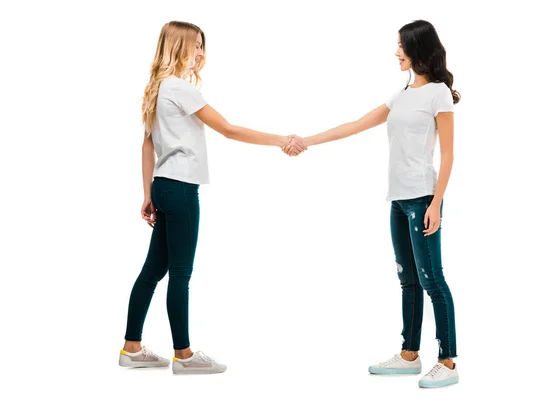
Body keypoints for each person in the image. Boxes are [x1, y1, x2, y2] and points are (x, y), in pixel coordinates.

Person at [118, 20, 306, 375]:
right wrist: (281, 139)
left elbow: (146, 145)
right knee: (180, 274)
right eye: (197, 45)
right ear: (178, 47)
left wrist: (148, 192)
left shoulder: (156, 88)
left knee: (153, 270)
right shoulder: (181, 88)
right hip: (181, 188)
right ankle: (184, 355)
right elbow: (229, 129)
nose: (202, 53)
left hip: (163, 185)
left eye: (204, 46)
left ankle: (131, 347)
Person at [285, 19, 460, 388]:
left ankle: (447, 361)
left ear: (417, 47)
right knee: (407, 280)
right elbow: (354, 125)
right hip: (397, 200)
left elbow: (448, 155)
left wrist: (436, 204)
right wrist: (306, 141)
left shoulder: (439, 93)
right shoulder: (402, 94)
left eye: (401, 46)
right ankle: (410, 355)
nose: (396, 52)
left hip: (422, 198)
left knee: (433, 280)